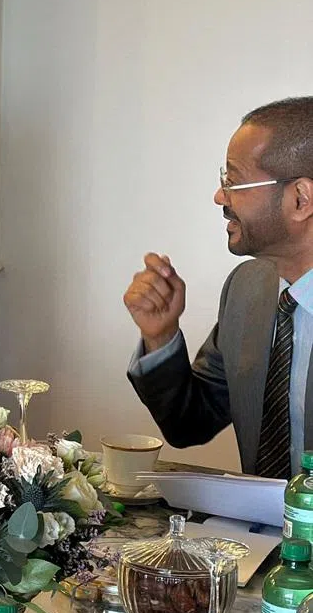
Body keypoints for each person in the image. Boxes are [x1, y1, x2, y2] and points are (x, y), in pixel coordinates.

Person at [124, 97, 313, 477]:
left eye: (235, 182)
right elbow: (189, 424)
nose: (219, 196)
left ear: (300, 199)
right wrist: (160, 336)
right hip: (262, 533)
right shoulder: (247, 289)